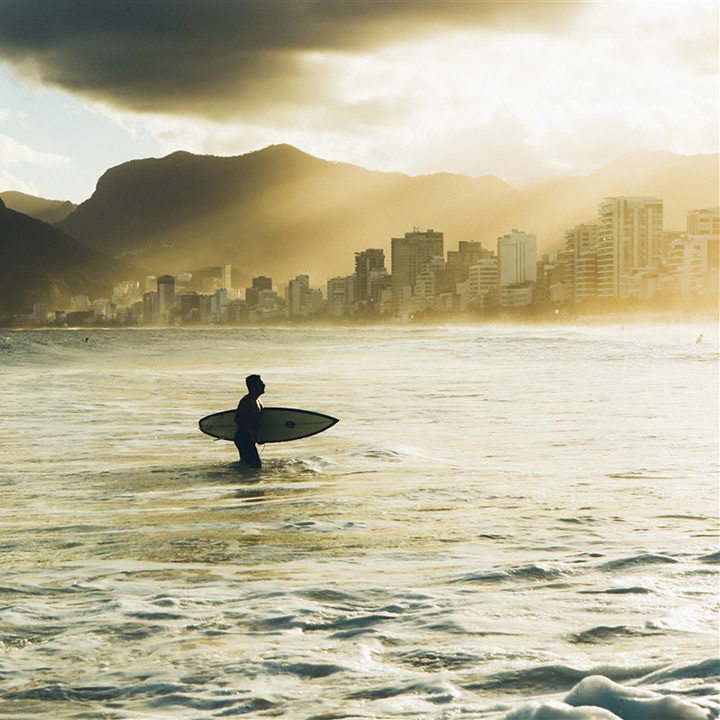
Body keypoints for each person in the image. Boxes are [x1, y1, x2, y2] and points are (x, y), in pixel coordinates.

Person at [234, 374, 265, 468]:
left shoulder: (258, 400)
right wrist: (252, 432)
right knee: (256, 466)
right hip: (243, 437)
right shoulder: (247, 401)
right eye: (260, 383)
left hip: (248, 437)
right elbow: (238, 419)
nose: (264, 385)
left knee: (246, 466)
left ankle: (243, 479)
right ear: (253, 387)